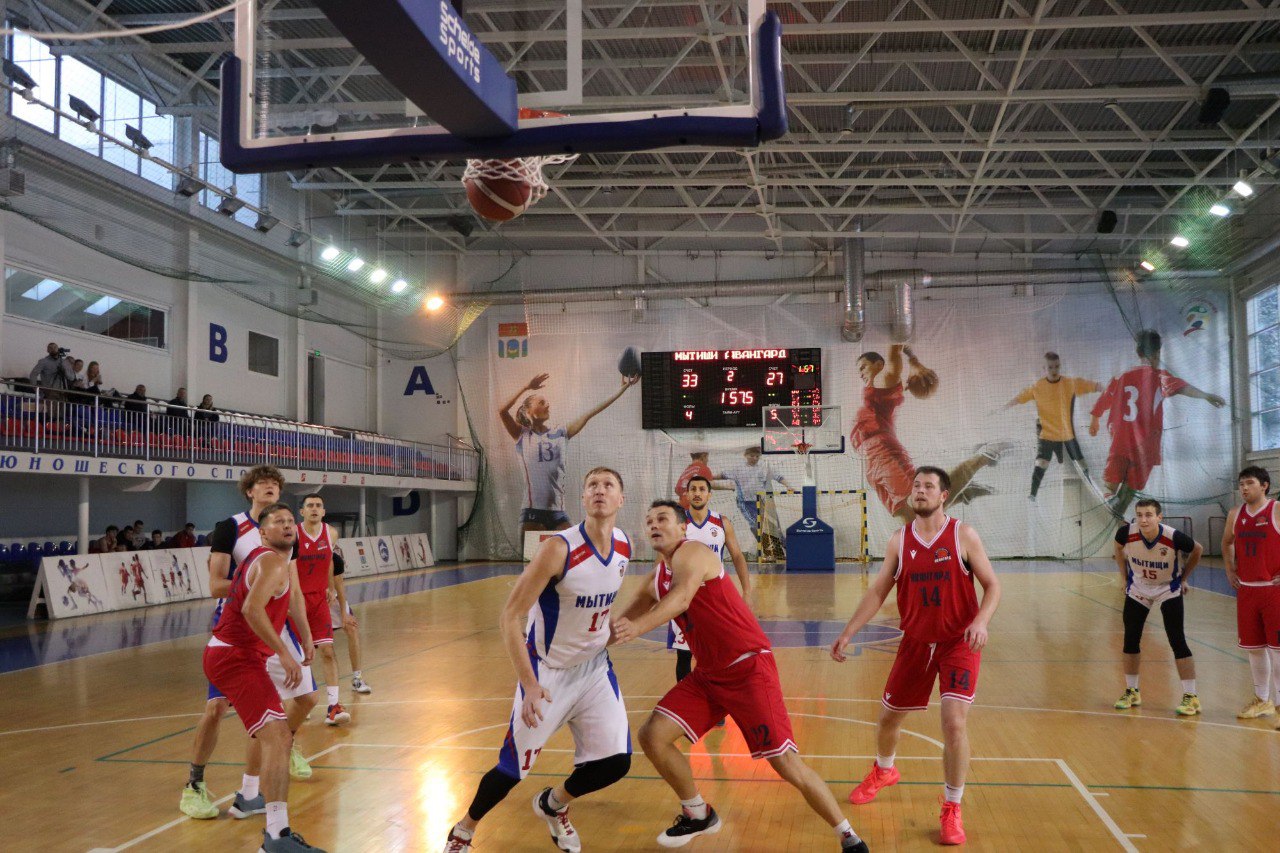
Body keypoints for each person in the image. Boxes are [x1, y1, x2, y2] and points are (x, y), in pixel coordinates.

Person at [611, 500, 867, 852]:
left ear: (683, 527)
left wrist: (637, 627)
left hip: (748, 668)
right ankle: (698, 813)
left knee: (785, 763)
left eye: (662, 518)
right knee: (653, 735)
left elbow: (681, 599)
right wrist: (576, 648)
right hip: (709, 677)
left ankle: (848, 836)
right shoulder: (656, 578)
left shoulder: (693, 552)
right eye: (649, 520)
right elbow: (618, 625)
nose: (654, 524)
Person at [443, 468, 633, 853]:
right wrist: (530, 684)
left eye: (608, 485)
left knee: (616, 762)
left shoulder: (625, 545)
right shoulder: (559, 549)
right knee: (511, 771)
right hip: (547, 674)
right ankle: (463, 831)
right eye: (592, 485)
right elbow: (510, 617)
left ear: (620, 499)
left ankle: (553, 804)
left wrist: (608, 628)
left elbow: (595, 602)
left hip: (595, 669)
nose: (599, 490)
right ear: (582, 498)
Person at [831, 466, 1001, 846]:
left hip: (958, 642)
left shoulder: (963, 535)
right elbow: (878, 591)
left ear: (944, 496)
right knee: (888, 719)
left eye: (928, 486)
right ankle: (884, 770)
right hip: (916, 643)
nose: (920, 491)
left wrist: (982, 621)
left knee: (953, 723)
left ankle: (952, 807)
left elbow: (992, 585)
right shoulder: (899, 540)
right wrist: (848, 631)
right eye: (916, 486)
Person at [179, 465, 320, 821]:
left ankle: (263, 773)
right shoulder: (231, 528)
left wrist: (305, 632)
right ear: (249, 491)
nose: (270, 487)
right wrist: (256, 583)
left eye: (275, 484)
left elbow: (293, 590)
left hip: (275, 627)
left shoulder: (286, 532)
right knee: (216, 710)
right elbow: (215, 585)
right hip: (238, 630)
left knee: (306, 699)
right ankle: (194, 784)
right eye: (263, 483)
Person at [202, 502, 327, 852]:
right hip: (234, 656)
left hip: (241, 655)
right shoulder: (270, 561)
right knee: (277, 737)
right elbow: (251, 609)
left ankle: (261, 813)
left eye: (290, 521)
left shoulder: (274, 560)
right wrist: (284, 652)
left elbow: (289, 599)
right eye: (278, 521)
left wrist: (304, 635)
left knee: (278, 735)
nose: (287, 525)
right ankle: (275, 836)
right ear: (262, 532)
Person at [852, 345, 1006, 523]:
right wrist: (912, 358)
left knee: (919, 507)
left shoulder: (883, 379)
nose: (861, 373)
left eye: (863, 367)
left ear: (879, 364)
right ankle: (964, 493)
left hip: (882, 452)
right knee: (907, 516)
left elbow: (894, 348)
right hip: (869, 460)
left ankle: (985, 456)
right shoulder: (876, 390)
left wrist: (913, 361)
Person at [1089, 329, 1225, 514]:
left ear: (1138, 352)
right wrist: (1206, 396)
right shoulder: (1159, 376)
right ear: (1157, 354)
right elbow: (1183, 388)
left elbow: (1104, 399)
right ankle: (1117, 515)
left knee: (1109, 487)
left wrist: (1095, 419)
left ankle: (1109, 506)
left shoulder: (1121, 376)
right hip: (1145, 446)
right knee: (1130, 490)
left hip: (1120, 441)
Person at [498, 372, 638, 533]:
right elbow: (502, 410)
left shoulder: (561, 433)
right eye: (542, 402)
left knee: (572, 547)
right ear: (528, 411)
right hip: (532, 512)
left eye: (547, 402)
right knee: (533, 550)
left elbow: (592, 411)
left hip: (557, 513)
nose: (547, 405)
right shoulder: (522, 435)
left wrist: (621, 390)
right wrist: (526, 387)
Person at [1111, 498, 1204, 715]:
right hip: (1139, 588)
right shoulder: (1126, 533)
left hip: (1167, 588)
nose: (1143, 520)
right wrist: (1123, 577)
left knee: (1177, 640)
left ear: (1159, 517)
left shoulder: (1173, 537)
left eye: (1148, 515)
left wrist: (1183, 578)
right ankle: (1132, 690)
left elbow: (1198, 549)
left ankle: (1191, 696)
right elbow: (1117, 547)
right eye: (1139, 515)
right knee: (1130, 639)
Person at [667, 475, 752, 685]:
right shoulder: (678, 525)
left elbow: (737, 556)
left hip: (715, 598)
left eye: (701, 489)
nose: (697, 493)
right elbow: (663, 562)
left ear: (709, 494)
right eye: (693, 489)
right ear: (687, 495)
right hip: (686, 598)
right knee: (684, 656)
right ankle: (687, 701)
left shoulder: (722, 523)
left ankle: (717, 699)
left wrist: (747, 591)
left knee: (720, 654)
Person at [1221, 465, 1280, 726]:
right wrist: (1229, 569)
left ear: (1264, 485)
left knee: (1277, 651)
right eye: (1241, 484)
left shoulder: (1276, 510)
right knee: (1254, 649)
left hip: (1274, 591)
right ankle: (1262, 700)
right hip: (1247, 591)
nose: (1244, 488)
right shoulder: (1235, 514)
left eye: (1250, 483)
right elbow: (1226, 542)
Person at [1005, 352, 1101, 500]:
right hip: (1048, 435)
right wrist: (1004, 407)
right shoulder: (1038, 387)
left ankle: (1095, 490)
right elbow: (1020, 397)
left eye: (1057, 366)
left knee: (1081, 463)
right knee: (1041, 463)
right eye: (1050, 367)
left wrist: (1102, 387)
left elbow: (1089, 385)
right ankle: (1032, 494)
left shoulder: (1069, 383)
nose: (1054, 370)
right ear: (1044, 368)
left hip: (1067, 434)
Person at [297, 493, 351, 726]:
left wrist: (330, 586)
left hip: (319, 600)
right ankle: (299, 701)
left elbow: (328, 560)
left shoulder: (331, 533)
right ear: (302, 512)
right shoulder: (294, 534)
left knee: (327, 651)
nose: (314, 509)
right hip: (296, 600)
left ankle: (333, 706)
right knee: (298, 655)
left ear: (324, 511)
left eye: (318, 505)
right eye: (310, 505)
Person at [716, 446, 793, 544]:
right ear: (745, 455)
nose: (755, 458)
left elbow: (779, 477)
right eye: (752, 456)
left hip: (762, 501)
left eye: (757, 456)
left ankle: (784, 545)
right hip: (746, 503)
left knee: (774, 524)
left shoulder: (764, 467)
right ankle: (765, 545)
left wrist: (788, 486)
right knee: (756, 525)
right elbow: (722, 475)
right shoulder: (738, 469)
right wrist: (708, 477)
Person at [329, 549, 372, 695]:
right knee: (315, 646)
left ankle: (357, 679)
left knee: (352, 628)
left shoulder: (335, 560)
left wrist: (344, 614)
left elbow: (340, 588)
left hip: (332, 600)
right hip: (312, 600)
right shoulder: (302, 556)